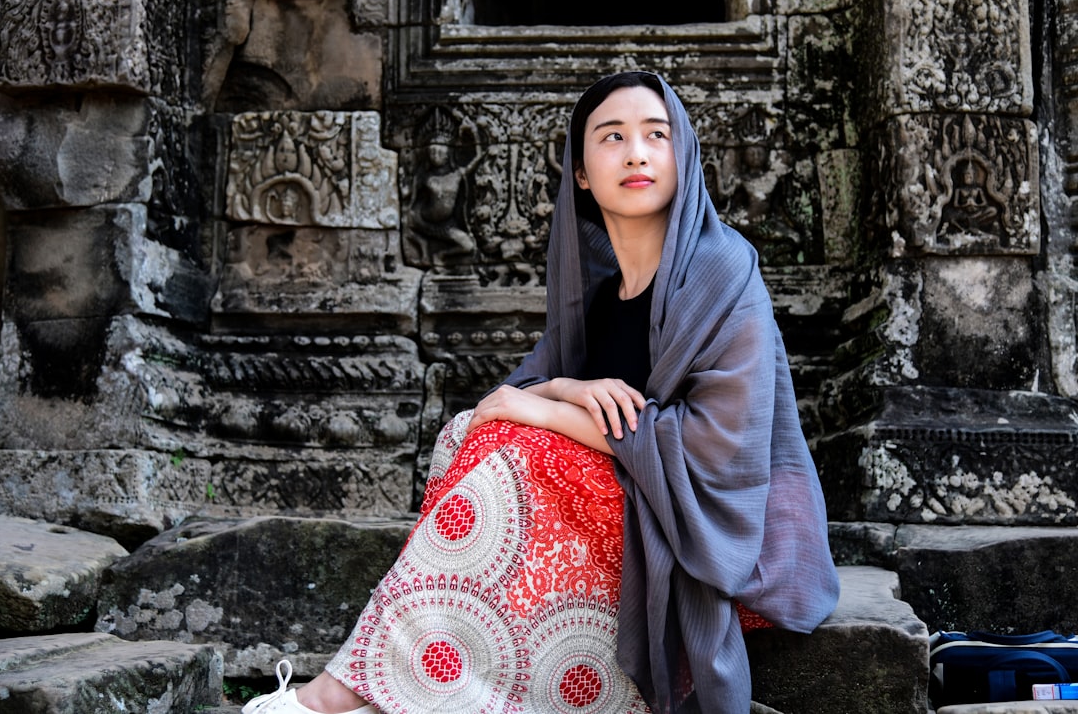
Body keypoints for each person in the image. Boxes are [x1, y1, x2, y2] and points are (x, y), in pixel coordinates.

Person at [242, 71, 840, 714]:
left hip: (721, 544)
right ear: (581, 172)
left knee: (523, 454)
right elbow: (515, 399)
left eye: (656, 135)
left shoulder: (723, 272)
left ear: (682, 155)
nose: (636, 152)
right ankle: (416, 681)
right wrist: (561, 388)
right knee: (467, 435)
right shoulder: (603, 299)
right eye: (612, 137)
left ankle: (341, 693)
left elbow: (715, 452)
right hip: (631, 515)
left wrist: (546, 409)